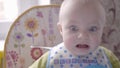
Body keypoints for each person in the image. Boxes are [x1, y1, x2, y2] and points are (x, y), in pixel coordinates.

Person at [29, 0, 120, 68]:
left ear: (102, 31)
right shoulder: (51, 58)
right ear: (61, 30)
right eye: (74, 28)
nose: (83, 36)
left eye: (92, 29)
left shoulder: (107, 57)